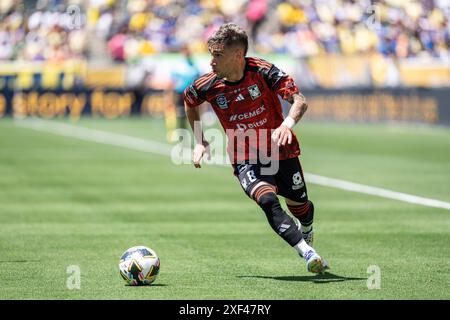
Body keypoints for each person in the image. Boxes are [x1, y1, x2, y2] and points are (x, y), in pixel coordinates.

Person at [183, 23, 328, 274]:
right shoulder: (207, 84)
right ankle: (307, 253)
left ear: (238, 55)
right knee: (268, 200)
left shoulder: (263, 72)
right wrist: (199, 140)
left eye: (217, 55)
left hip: (279, 149)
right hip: (245, 155)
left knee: (301, 207)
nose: (211, 62)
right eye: (211, 54)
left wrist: (287, 124)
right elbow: (189, 101)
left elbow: (299, 100)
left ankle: (306, 228)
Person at [170, 45, 200, 130]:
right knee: (180, 112)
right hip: (181, 91)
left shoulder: (194, 64)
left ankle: (196, 132)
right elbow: (173, 79)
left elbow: (198, 76)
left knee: (194, 112)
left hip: (192, 92)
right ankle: (181, 130)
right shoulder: (178, 65)